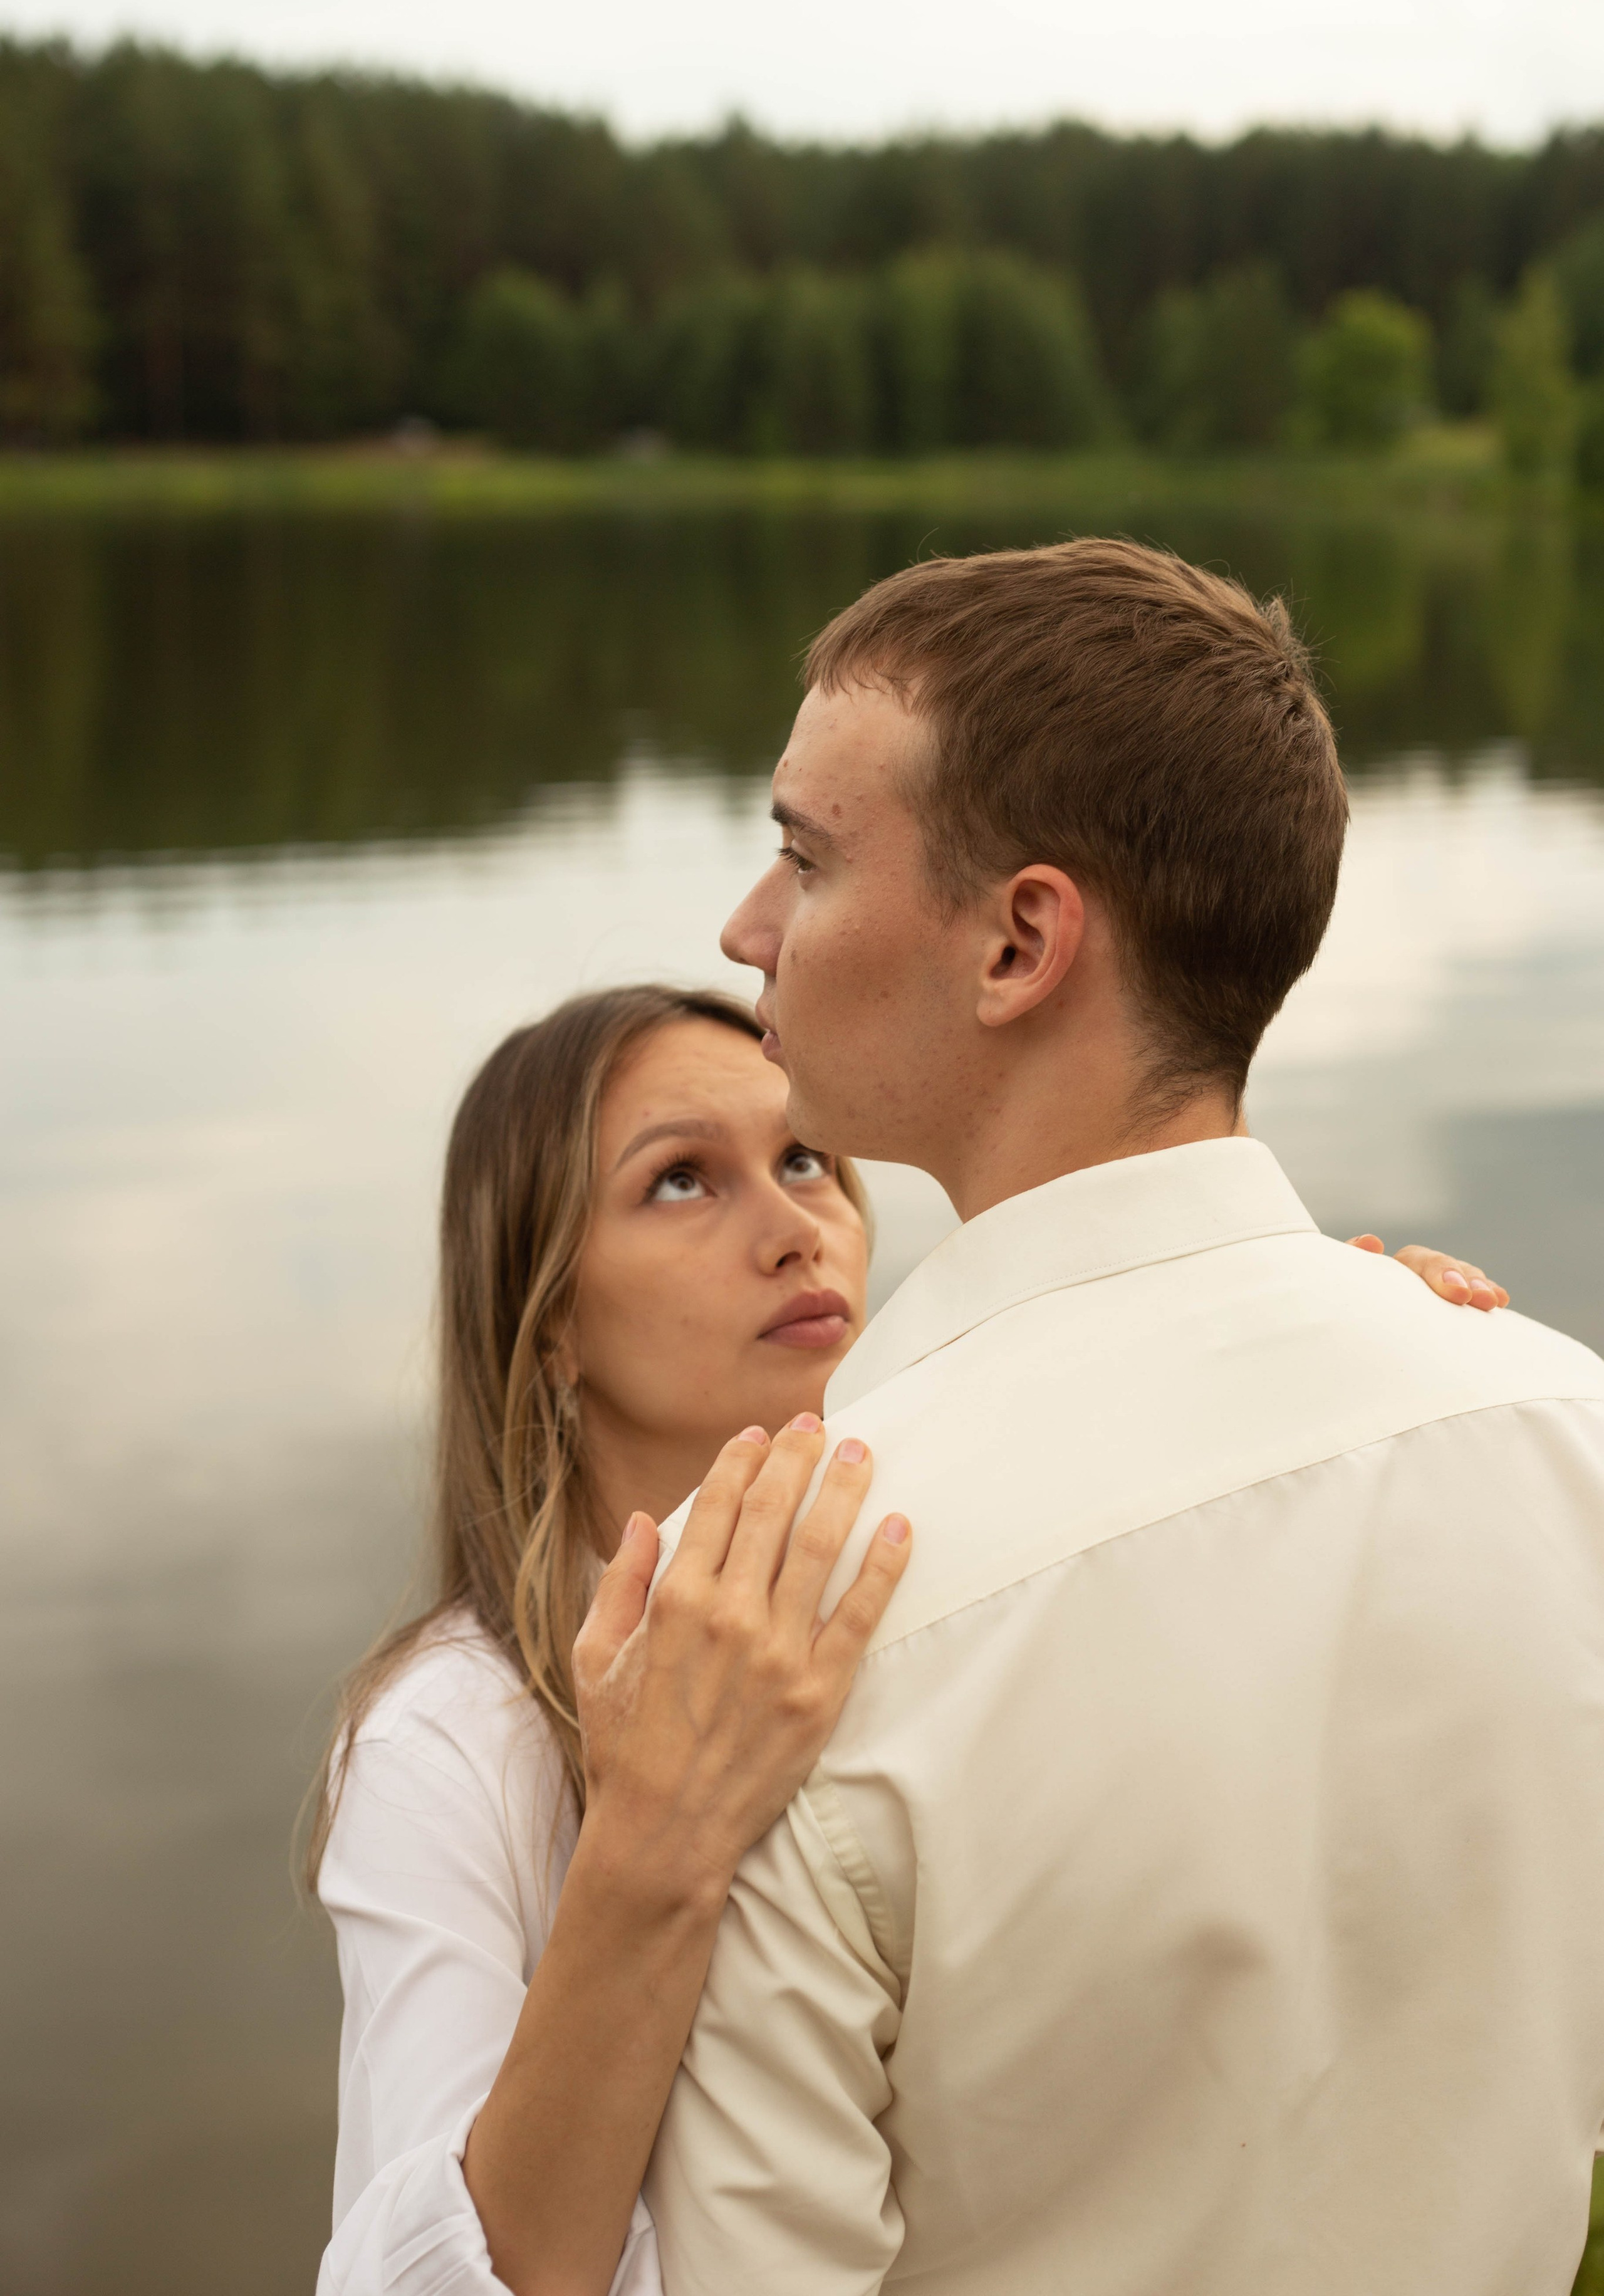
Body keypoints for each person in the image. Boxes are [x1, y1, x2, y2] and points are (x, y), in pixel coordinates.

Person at [636, 537, 1604, 2296]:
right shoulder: (1569, 1436)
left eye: (803, 854)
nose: (746, 929)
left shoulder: (788, 1603)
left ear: (1021, 940)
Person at [311, 978, 1498, 2296]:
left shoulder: (927, 1570)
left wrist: (1350, 1362)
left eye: (804, 1160)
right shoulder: (452, 1735)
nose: (790, 1230)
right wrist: (649, 1839)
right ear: (548, 1331)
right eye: (681, 1183)